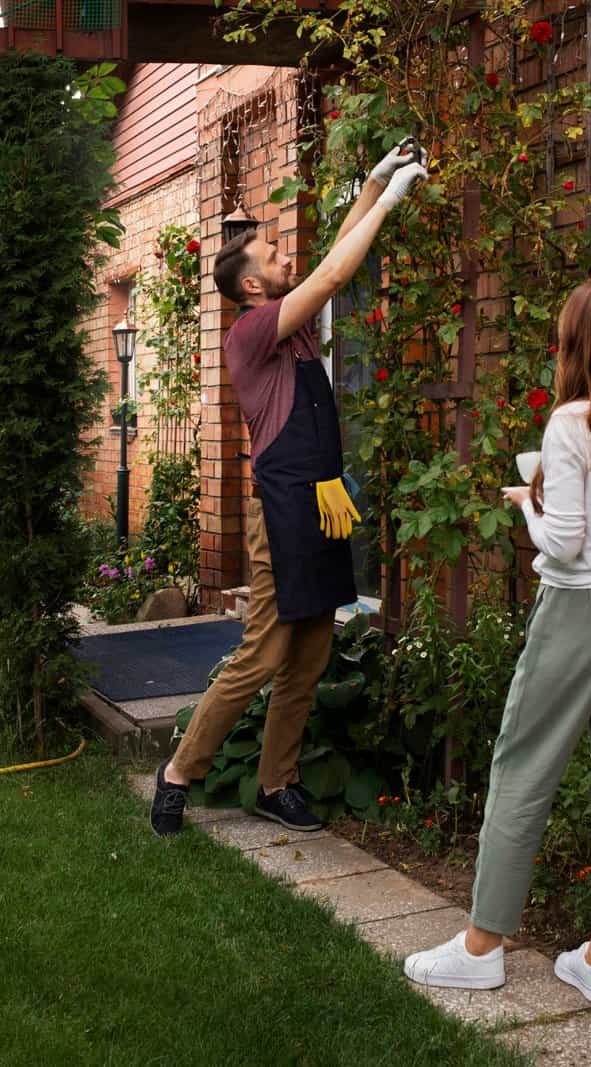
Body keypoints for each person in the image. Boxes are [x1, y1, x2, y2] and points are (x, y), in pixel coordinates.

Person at [403, 277, 591, 1004]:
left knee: (522, 766)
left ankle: (482, 945)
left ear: (578, 346)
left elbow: (561, 546)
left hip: (579, 613)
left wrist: (531, 504)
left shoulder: (570, 425)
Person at [149, 139, 428, 836]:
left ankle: (279, 781)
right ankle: (180, 770)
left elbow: (332, 252)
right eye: (273, 257)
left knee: (309, 651)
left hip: (321, 503)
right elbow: (335, 274)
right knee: (267, 650)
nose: (285, 260)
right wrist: (391, 205)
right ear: (251, 286)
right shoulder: (252, 334)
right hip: (280, 512)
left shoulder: (291, 328)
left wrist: (373, 180)